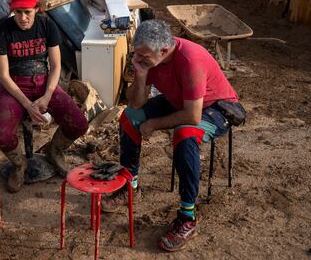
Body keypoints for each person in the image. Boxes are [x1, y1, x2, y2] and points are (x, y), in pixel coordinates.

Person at [102, 19, 245, 252]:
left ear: (165, 51)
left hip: (217, 107)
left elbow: (192, 115)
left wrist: (153, 124)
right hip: (179, 100)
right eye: (136, 54)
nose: (139, 59)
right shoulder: (148, 57)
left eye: (144, 56)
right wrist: (140, 73)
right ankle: (131, 184)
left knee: (184, 134)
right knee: (129, 117)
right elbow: (136, 102)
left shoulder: (190, 60)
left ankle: (187, 218)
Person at [0, 0, 88, 192]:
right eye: (18, 12)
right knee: (2, 136)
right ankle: (19, 164)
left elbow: (56, 66)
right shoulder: (2, 31)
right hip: (14, 86)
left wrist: (47, 96)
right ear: (12, 10)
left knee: (79, 124)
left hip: (44, 83)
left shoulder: (47, 26)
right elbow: (3, 76)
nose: (23, 17)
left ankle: (55, 150)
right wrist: (27, 105)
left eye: (28, 11)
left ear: (37, 8)